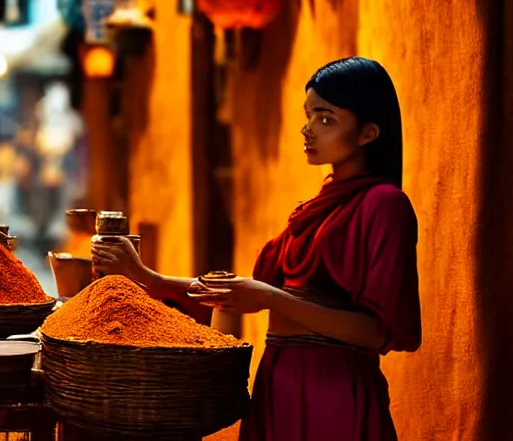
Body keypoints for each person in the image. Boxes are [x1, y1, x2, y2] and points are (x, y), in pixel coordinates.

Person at [91, 56, 421, 441]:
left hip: (334, 395)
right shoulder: (315, 207)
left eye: (326, 119)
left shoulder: (384, 205)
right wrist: (148, 278)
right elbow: (247, 293)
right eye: (309, 115)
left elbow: (375, 332)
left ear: (368, 133)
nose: (308, 129)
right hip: (278, 381)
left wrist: (270, 298)